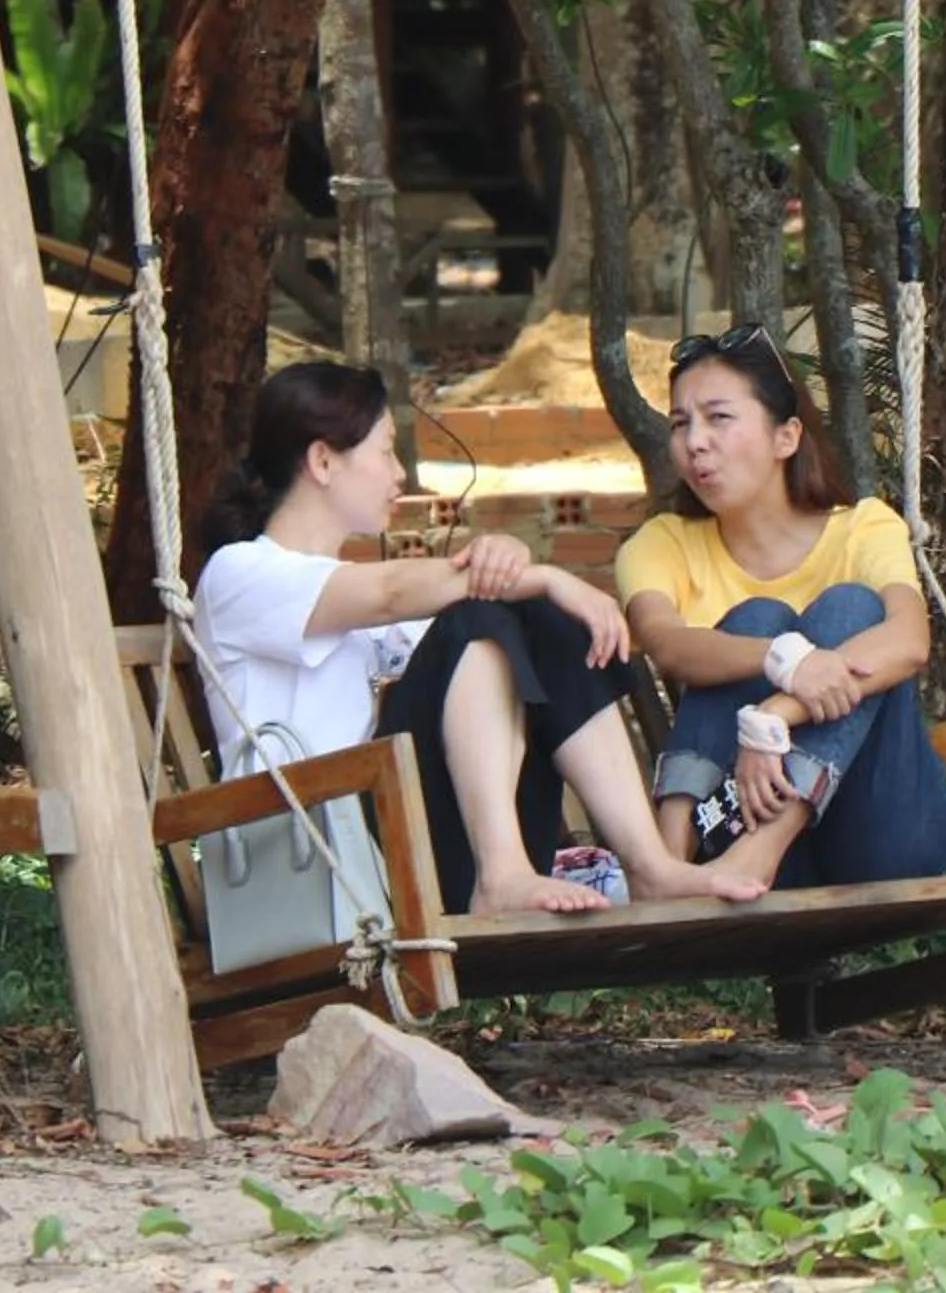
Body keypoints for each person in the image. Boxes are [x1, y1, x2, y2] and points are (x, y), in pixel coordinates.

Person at [195, 360, 764, 916]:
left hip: (397, 849)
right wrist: (545, 575)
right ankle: (502, 873)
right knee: (482, 616)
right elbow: (391, 591)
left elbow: (462, 609)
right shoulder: (239, 576)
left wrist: (511, 565)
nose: (399, 474)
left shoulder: (350, 596)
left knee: (524, 616)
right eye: (386, 449)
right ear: (323, 460)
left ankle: (650, 867)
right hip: (317, 866)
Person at [619, 322, 946, 891]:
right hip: (732, 827)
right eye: (681, 423)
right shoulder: (662, 544)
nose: (695, 441)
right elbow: (670, 646)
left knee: (851, 607)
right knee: (757, 622)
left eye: (718, 418)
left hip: (884, 835)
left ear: (787, 437)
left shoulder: (864, 528)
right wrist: (783, 659)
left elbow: (908, 641)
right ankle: (676, 854)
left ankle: (761, 846)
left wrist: (775, 715)